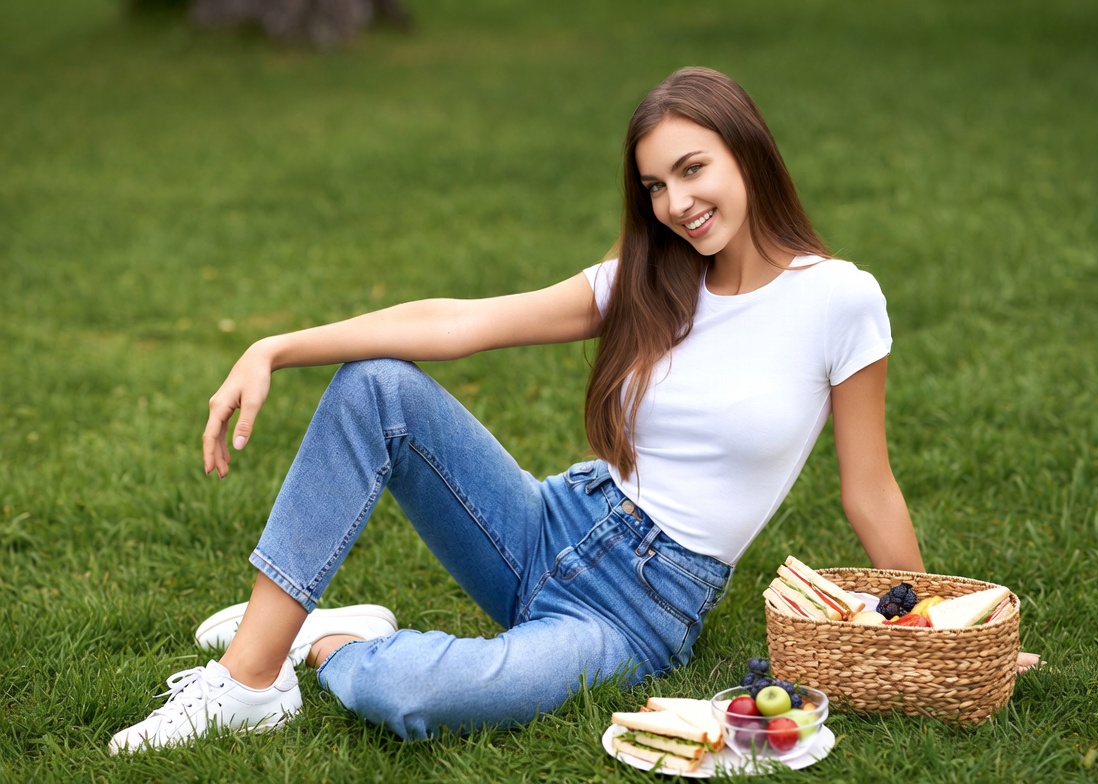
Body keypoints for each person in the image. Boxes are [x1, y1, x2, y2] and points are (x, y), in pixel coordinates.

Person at [109, 66, 1033, 754]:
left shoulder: (838, 300)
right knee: (375, 385)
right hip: (551, 522)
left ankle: (331, 640)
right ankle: (249, 682)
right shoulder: (648, 281)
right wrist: (277, 346)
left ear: (747, 150)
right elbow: (461, 323)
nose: (676, 205)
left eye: (692, 169)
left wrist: (939, 638)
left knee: (414, 697)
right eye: (655, 187)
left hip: (639, 612)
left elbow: (869, 487)